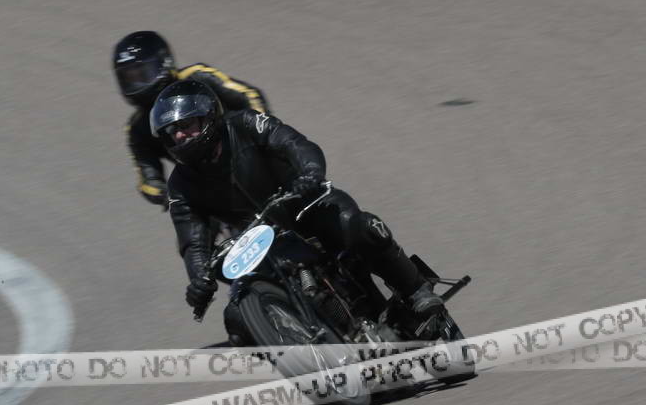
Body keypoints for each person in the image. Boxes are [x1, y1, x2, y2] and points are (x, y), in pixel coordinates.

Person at [149, 79, 444, 345]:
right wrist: (198, 279)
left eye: (187, 124)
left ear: (209, 116)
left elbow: (293, 143)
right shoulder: (180, 186)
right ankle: (310, 352)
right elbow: (192, 240)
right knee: (236, 319)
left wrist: (310, 172)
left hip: (305, 205)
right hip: (261, 240)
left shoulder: (245, 123)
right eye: (173, 131)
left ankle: (415, 290)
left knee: (361, 226)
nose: (181, 135)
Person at [112, 31, 271, 210]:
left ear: (164, 63)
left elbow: (248, 95)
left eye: (143, 74)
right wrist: (166, 193)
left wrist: (261, 130)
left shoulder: (197, 76)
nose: (137, 84)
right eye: (130, 79)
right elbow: (148, 177)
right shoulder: (137, 129)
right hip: (208, 185)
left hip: (246, 151)